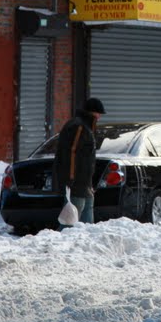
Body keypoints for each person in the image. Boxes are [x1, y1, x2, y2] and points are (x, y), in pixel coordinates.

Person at [53, 97, 106, 227]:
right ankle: (64, 241)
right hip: (76, 182)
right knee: (71, 217)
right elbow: (71, 154)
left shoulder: (86, 127)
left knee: (87, 210)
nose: (99, 117)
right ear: (91, 112)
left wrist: (89, 182)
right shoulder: (79, 127)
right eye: (98, 113)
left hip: (84, 182)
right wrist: (71, 179)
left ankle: (87, 240)